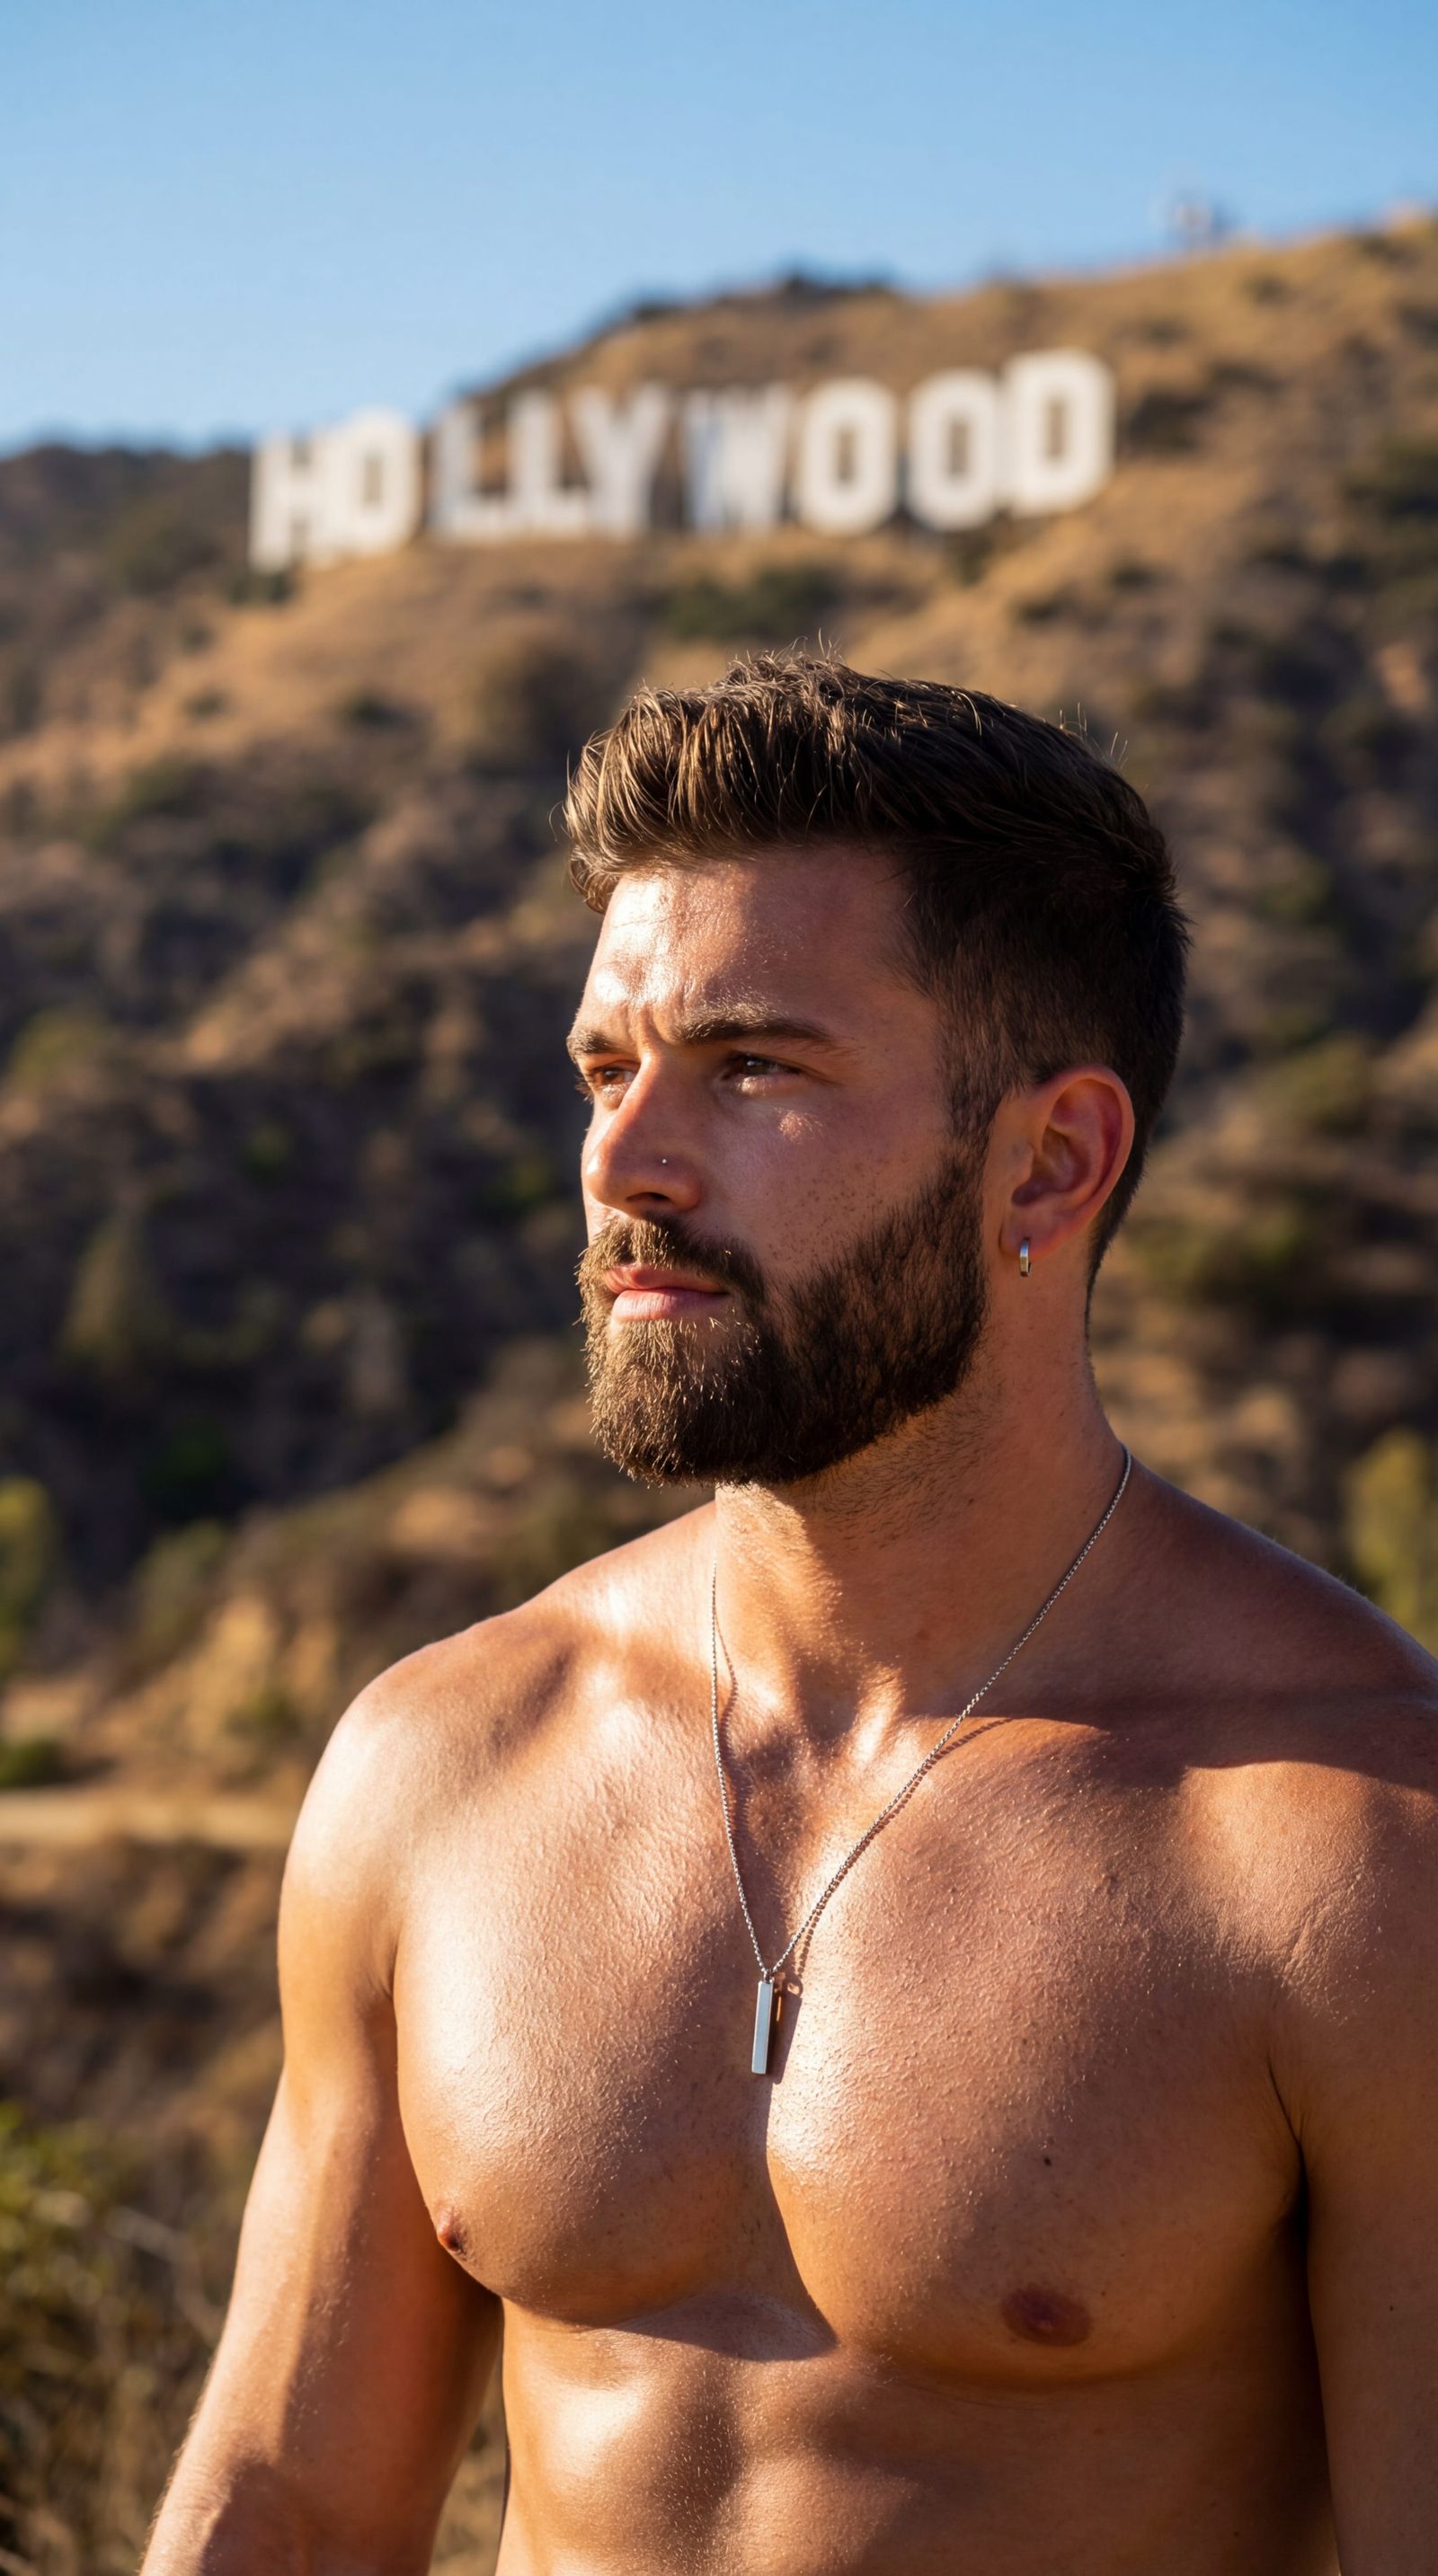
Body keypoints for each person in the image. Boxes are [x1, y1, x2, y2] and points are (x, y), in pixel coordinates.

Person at [141, 651, 1438, 2576]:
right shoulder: (440, 1766)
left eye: (754, 1066)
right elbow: (292, 2509)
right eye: (607, 1065)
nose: (623, 1162)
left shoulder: (1346, 1850)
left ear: (1049, 1160)